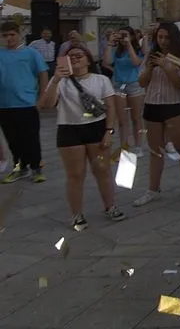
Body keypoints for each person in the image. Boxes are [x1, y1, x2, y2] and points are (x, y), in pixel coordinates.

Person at [37, 45, 125, 229]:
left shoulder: (101, 80)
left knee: (102, 171)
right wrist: (55, 80)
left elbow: (110, 107)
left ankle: (110, 206)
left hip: (96, 128)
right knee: (75, 175)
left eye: (79, 55)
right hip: (69, 129)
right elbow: (48, 104)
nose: (75, 58)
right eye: (70, 56)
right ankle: (76, 214)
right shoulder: (60, 81)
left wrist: (109, 131)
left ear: (88, 59)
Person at [134, 22, 180, 206]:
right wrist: (150, 68)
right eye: (160, 37)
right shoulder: (150, 55)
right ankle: (153, 189)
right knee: (155, 150)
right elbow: (142, 82)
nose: (163, 41)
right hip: (152, 105)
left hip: (174, 105)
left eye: (167, 37)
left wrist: (166, 66)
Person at [0, 21, 49, 184]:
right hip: (4, 105)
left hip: (27, 104)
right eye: (5, 35)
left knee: (31, 139)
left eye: (12, 34)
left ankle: (36, 168)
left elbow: (43, 74)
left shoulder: (31, 53)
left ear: (19, 34)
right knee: (13, 141)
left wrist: (42, 98)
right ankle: (20, 168)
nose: (9, 38)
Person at [102, 27, 146, 155]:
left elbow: (136, 62)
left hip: (134, 84)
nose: (122, 38)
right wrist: (110, 43)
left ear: (132, 36)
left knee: (136, 118)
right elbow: (107, 62)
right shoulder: (116, 50)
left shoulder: (138, 49)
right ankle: (124, 147)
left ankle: (138, 146)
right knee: (122, 120)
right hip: (119, 85)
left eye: (125, 35)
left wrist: (129, 45)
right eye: (120, 35)